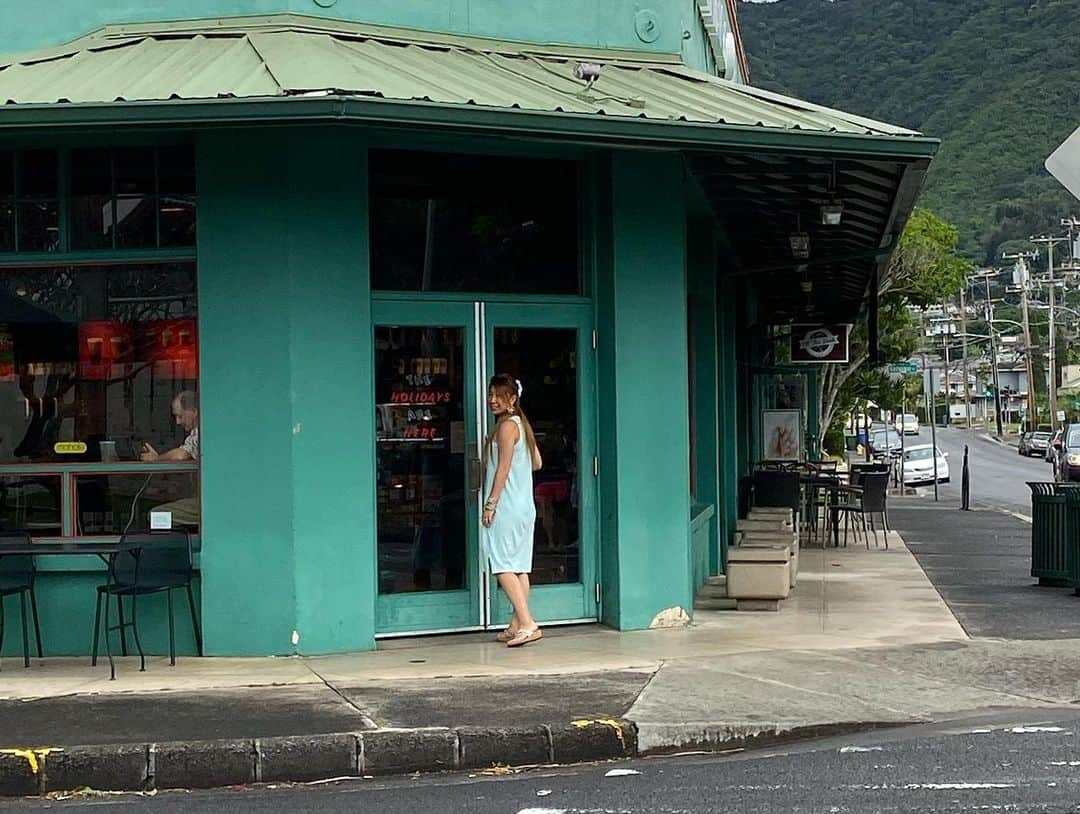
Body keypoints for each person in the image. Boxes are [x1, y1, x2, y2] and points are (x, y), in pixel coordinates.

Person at [482, 373, 543, 648]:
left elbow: (503, 469)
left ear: (513, 398)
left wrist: (491, 503)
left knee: (501, 564)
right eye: (491, 394)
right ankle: (516, 624)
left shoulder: (507, 427)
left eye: (499, 395)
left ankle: (528, 623)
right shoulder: (520, 425)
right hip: (523, 506)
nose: (492, 400)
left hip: (507, 507)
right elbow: (536, 463)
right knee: (519, 567)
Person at [140, 390, 199, 528]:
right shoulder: (195, 433)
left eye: (180, 416)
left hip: (207, 504)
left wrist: (156, 459)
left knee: (156, 515)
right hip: (205, 501)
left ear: (194, 412)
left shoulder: (201, 432)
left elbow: (181, 456)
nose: (178, 422)